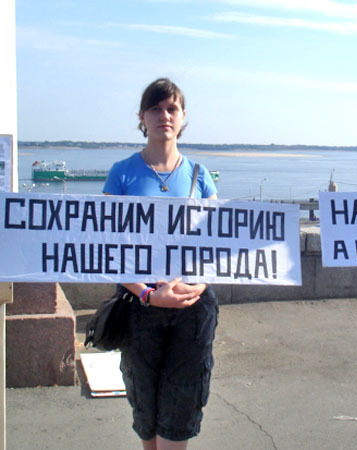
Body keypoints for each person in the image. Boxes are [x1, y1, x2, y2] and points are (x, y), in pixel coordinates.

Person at [103, 78, 219, 450]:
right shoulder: (122, 173)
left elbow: (217, 245)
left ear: (183, 117)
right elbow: (108, 247)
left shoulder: (200, 176)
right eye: (155, 108)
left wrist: (197, 286)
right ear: (142, 117)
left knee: (182, 404)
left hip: (191, 307)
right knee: (145, 405)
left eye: (172, 108)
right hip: (140, 306)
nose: (164, 115)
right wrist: (148, 295)